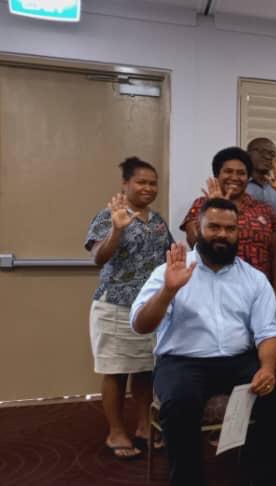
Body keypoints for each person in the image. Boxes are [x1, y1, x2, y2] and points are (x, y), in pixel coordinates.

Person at [130, 198, 276, 486]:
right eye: (214, 226)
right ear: (197, 227)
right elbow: (141, 325)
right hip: (182, 362)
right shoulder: (170, 272)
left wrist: (267, 367)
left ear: (238, 232)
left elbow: (268, 331)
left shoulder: (254, 279)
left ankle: (262, 475)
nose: (222, 234)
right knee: (180, 404)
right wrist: (168, 290)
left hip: (238, 360)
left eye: (230, 228)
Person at [85, 157, 172, 459]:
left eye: (153, 182)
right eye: (141, 182)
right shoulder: (110, 215)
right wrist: (117, 230)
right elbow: (99, 257)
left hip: (149, 309)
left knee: (146, 371)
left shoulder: (159, 222)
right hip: (115, 306)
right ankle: (116, 432)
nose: (148, 188)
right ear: (126, 184)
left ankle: (144, 427)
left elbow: (167, 261)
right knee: (116, 372)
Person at [180, 147, 276, 308]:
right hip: (212, 291)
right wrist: (215, 206)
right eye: (228, 171)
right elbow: (193, 241)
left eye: (241, 173)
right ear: (217, 175)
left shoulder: (265, 210)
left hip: (256, 294)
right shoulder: (202, 204)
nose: (234, 177)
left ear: (248, 177)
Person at [246, 137, 276, 272]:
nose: (266, 156)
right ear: (247, 153)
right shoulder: (239, 186)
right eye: (260, 151)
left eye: (272, 154)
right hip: (246, 264)